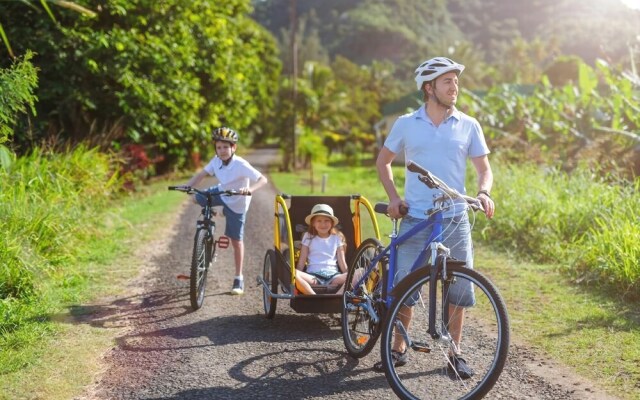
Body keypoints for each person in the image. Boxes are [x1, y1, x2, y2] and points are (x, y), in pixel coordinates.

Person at [374, 57, 495, 377]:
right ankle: (398, 346)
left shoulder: (469, 124)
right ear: (429, 88)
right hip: (416, 217)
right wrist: (394, 198)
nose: (454, 87)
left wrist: (483, 192)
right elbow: (383, 162)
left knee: (459, 290)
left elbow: (484, 169)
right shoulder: (406, 123)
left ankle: (455, 353)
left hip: (455, 218)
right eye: (447, 81)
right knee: (404, 287)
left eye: (456, 81)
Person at [183, 126, 267, 295]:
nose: (221, 151)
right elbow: (201, 174)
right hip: (221, 192)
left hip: (237, 202)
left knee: (236, 241)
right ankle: (210, 225)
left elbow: (262, 179)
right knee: (195, 197)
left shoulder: (240, 164)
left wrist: (250, 190)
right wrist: (188, 186)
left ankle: (239, 278)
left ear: (233, 147)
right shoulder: (216, 161)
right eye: (219, 147)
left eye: (225, 147)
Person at [294, 204, 348, 295]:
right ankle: (312, 296)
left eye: (326, 221)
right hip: (313, 277)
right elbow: (302, 261)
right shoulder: (308, 236)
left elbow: (342, 262)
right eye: (319, 221)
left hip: (334, 277)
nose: (323, 224)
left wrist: (348, 275)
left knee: (360, 273)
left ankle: (339, 296)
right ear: (313, 223)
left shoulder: (337, 237)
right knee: (293, 273)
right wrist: (297, 274)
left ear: (331, 223)